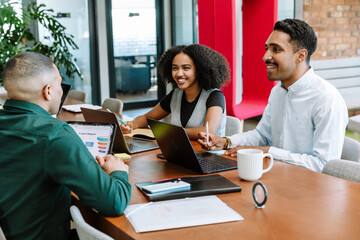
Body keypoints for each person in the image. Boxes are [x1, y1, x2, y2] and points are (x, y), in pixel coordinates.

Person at [0, 52, 131, 240]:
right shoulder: (54, 135)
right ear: (48, 91)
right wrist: (117, 171)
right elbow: (113, 202)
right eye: (59, 83)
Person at [198, 19, 348, 172]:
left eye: (276, 49)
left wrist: (269, 152)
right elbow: (261, 135)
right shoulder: (278, 91)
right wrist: (226, 142)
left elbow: (324, 165)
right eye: (267, 48)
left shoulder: (327, 99)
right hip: (275, 178)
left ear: (301, 56)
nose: (265, 57)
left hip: (308, 189)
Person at [122, 44, 230, 139]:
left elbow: (208, 131)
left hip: (210, 157)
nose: (179, 74)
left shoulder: (215, 96)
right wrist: (131, 124)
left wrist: (168, 132)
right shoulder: (175, 95)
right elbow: (147, 117)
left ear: (199, 70)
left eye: (186, 68)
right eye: (175, 68)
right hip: (182, 153)